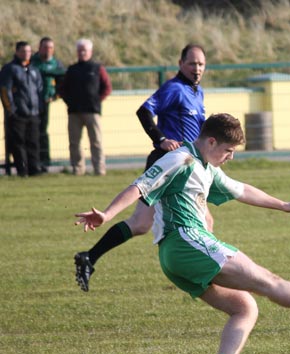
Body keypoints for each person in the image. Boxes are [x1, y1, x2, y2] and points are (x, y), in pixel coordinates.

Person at [74, 113, 290, 354]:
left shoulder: (207, 167)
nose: (230, 157)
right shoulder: (180, 158)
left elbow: (241, 189)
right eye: (228, 150)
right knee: (268, 281)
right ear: (211, 141)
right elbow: (140, 186)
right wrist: (108, 214)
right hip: (186, 241)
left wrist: (282, 204)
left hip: (175, 256)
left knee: (245, 307)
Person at [73, 44, 207, 291]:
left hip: (185, 165)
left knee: (144, 224)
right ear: (180, 64)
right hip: (166, 162)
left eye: (200, 64)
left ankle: (89, 257)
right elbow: (144, 111)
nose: (196, 68)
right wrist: (160, 139)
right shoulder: (174, 88)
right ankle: (202, 272)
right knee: (200, 218)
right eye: (192, 63)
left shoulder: (197, 93)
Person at [60, 38, 112, 176]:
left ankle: (99, 169)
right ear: (77, 52)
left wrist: (96, 101)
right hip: (74, 112)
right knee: (74, 142)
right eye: (80, 50)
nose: (82, 53)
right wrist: (69, 102)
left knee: (96, 141)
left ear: (90, 52)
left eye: (85, 50)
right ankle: (78, 169)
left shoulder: (97, 68)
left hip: (92, 111)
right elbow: (63, 89)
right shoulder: (72, 69)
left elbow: (107, 87)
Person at [0, 41, 43, 177]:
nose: (27, 54)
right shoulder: (10, 69)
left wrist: (39, 107)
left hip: (33, 113)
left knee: (34, 142)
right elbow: (5, 90)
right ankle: (22, 171)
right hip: (18, 113)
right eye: (24, 51)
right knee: (19, 143)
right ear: (17, 52)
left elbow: (39, 89)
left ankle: (34, 170)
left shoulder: (34, 69)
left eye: (29, 51)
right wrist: (11, 110)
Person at [31, 37, 65, 173]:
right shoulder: (32, 62)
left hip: (45, 102)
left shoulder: (56, 63)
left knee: (43, 132)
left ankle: (45, 161)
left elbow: (63, 80)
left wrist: (55, 96)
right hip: (31, 103)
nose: (48, 50)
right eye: (45, 47)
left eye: (50, 47)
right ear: (39, 48)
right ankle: (32, 162)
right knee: (32, 132)